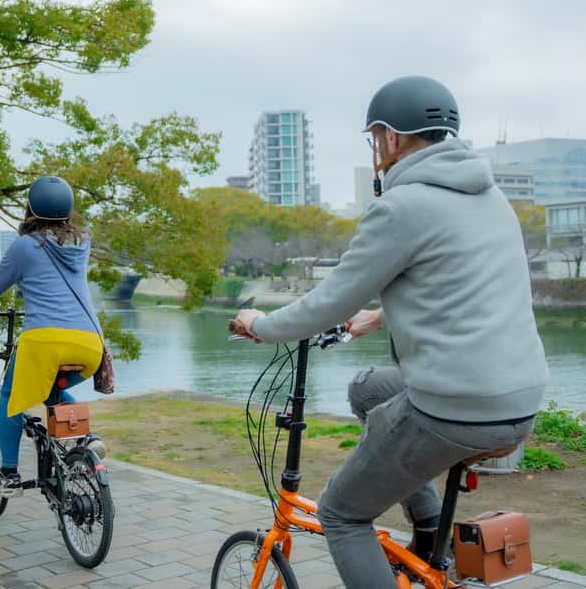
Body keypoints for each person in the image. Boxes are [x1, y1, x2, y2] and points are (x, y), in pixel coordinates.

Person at [234, 75, 549, 589]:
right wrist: (380, 317)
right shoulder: (493, 201)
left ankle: (418, 532)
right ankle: (429, 532)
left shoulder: (402, 207)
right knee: (367, 391)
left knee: (341, 512)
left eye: (375, 136)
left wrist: (259, 325)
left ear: (390, 137)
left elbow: (330, 299)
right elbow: (471, 286)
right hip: (518, 398)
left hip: (455, 404)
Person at [0, 175, 106, 496]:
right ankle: (85, 436)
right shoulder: (82, 242)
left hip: (45, 343)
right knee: (46, 390)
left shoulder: (25, 246)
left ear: (30, 208)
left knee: (12, 396)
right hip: (90, 345)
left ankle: (9, 473)